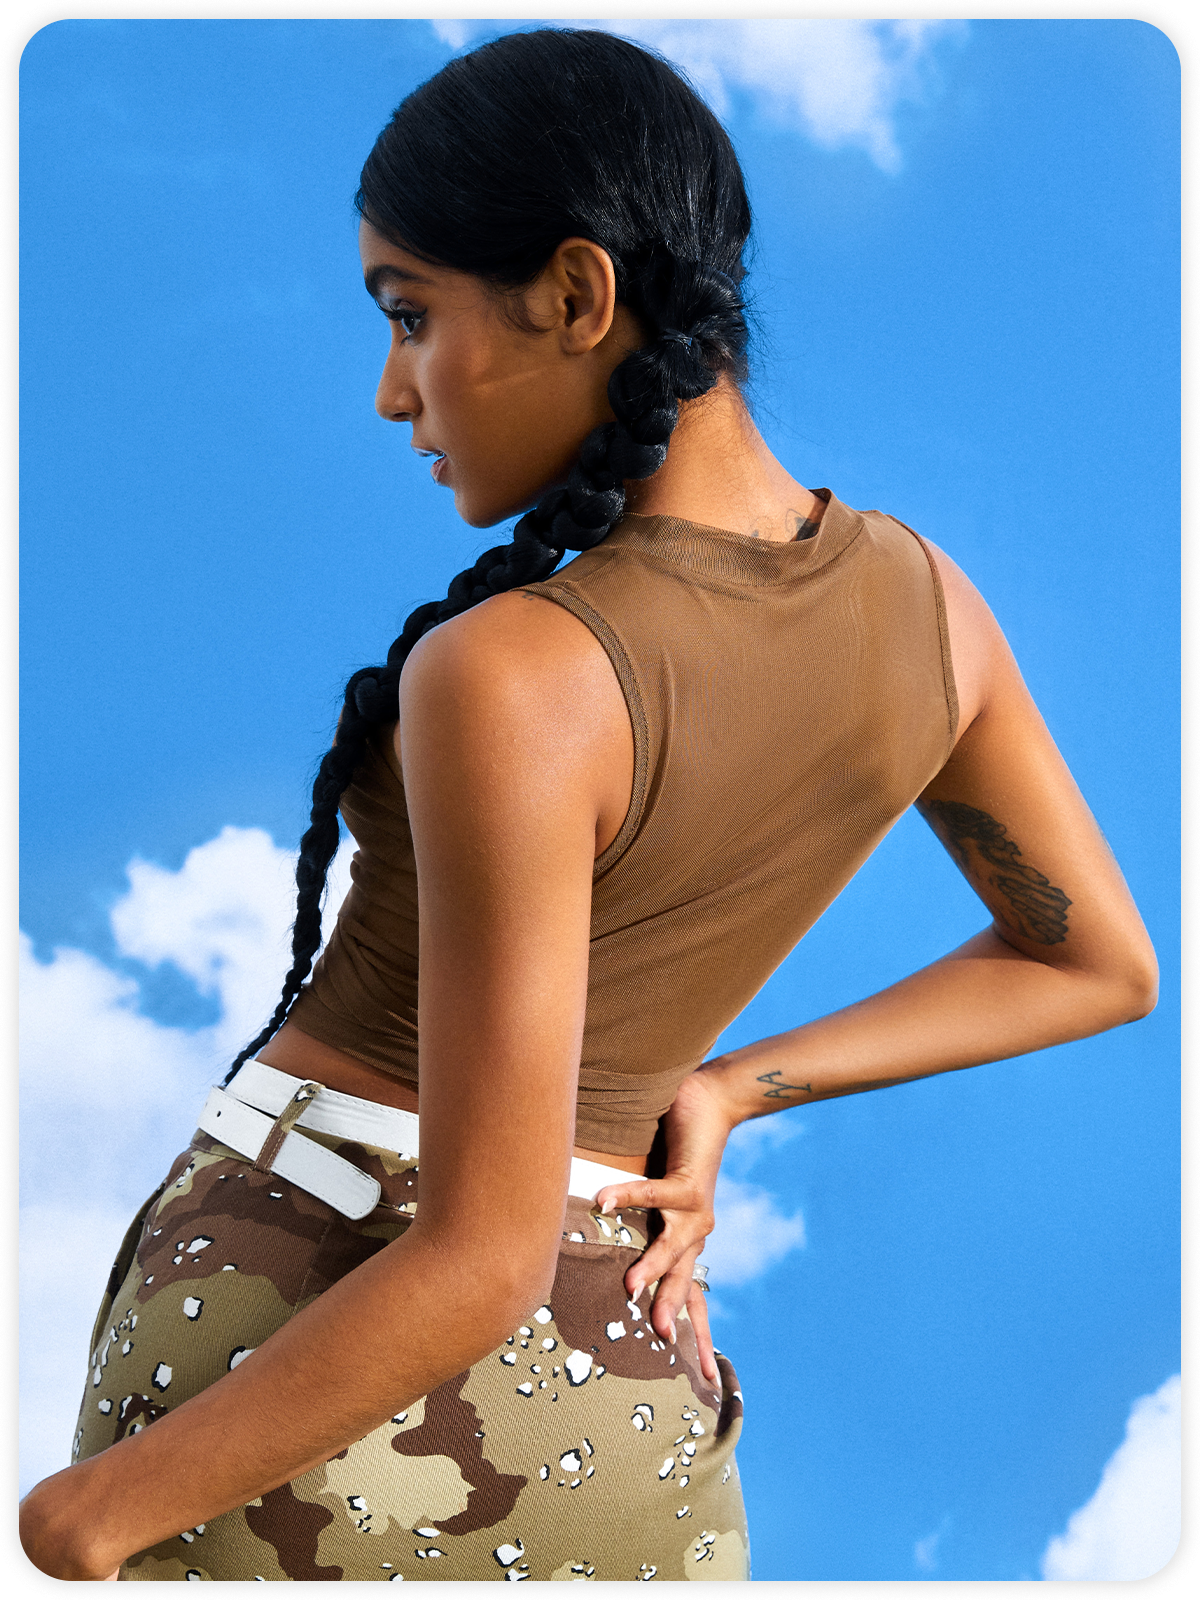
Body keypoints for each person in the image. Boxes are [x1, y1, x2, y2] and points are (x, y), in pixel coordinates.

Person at [19, 28, 1157, 1584]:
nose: (389, 391)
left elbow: (475, 1258)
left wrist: (85, 1519)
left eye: (411, 316)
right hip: (631, 1401)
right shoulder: (933, 610)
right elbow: (1097, 963)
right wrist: (729, 1088)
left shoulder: (519, 672)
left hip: (311, 1373)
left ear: (575, 296)